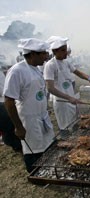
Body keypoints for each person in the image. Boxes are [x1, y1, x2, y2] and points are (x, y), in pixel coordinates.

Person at [3, 38, 55, 172]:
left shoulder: (36, 68)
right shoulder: (17, 71)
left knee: (47, 143)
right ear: (32, 54)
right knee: (33, 150)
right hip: (29, 118)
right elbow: (8, 100)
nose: (46, 56)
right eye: (43, 53)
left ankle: (48, 170)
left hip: (42, 115)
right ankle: (36, 176)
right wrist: (18, 127)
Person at [44, 36, 90, 131]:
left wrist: (89, 78)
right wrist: (69, 98)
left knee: (75, 124)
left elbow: (78, 73)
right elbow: (50, 88)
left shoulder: (66, 62)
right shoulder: (50, 65)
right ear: (55, 51)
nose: (66, 53)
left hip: (71, 98)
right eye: (63, 50)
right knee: (66, 128)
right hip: (62, 102)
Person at [0, 70, 22, 151]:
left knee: (9, 127)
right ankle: (16, 145)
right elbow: (3, 90)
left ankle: (16, 145)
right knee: (8, 128)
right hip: (4, 105)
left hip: (4, 104)